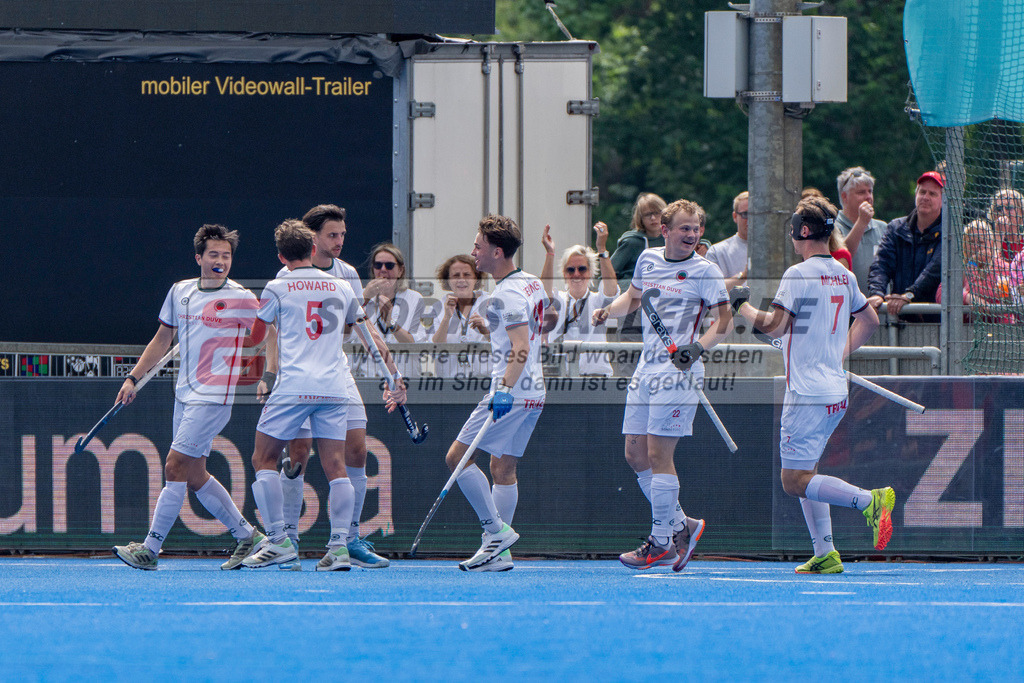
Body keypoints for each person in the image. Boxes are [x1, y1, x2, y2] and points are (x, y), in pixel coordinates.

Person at [733, 196, 894, 574]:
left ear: (803, 231)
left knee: (794, 480)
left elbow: (775, 325)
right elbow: (869, 320)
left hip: (806, 394)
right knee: (808, 472)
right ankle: (825, 552)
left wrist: (741, 306)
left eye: (793, 231)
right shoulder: (843, 273)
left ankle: (869, 501)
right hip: (834, 391)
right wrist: (840, 352)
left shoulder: (798, 274)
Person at [242, 220, 406, 570]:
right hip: (334, 387)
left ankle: (277, 540)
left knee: (263, 458)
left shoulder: (275, 286)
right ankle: (338, 548)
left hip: (294, 386)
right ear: (313, 250)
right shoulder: (341, 287)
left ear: (282, 256)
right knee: (336, 465)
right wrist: (393, 377)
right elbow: (366, 336)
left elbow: (256, 336)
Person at [113, 224, 265, 571]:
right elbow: (161, 339)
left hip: (213, 397)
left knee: (174, 465)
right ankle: (248, 536)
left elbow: (262, 332)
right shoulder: (180, 292)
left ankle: (150, 550)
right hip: (184, 394)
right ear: (199, 257)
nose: (221, 261)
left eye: (226, 256)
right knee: (195, 475)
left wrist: (253, 362)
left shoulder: (242, 297)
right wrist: (133, 378)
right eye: (214, 254)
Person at [592, 198, 734, 571]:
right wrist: (610, 309)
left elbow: (724, 321)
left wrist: (696, 349)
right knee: (635, 455)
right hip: (646, 370)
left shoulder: (705, 271)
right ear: (666, 230)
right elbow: (634, 298)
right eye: (684, 228)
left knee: (658, 456)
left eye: (696, 228)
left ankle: (661, 541)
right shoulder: (648, 259)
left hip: (679, 373)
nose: (691, 234)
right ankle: (681, 525)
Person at [442, 214, 547, 572]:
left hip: (512, 392)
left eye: (478, 247)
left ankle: (495, 532)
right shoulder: (531, 282)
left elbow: (521, 346)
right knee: (503, 467)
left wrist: (503, 390)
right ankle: (498, 553)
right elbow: (527, 333)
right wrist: (491, 329)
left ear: (497, 252)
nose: (473, 253)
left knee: (456, 458)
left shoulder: (505, 293)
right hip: (535, 391)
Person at [540, 222, 619, 376]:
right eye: (570, 270)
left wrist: (602, 249)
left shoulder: (598, 300)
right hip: (561, 378)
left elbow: (610, 289)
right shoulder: (559, 299)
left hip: (596, 379)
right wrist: (550, 253)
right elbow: (543, 294)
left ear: (590, 272)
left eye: (582, 269)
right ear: (564, 274)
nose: (576, 274)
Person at [867, 171, 944, 315]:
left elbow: (934, 270)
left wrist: (909, 295)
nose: (925, 197)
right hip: (899, 320)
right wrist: (877, 293)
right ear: (916, 195)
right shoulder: (896, 228)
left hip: (936, 321)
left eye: (932, 194)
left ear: (943, 200)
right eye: (922, 192)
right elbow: (881, 264)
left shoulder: (950, 233)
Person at [357, 243, 435, 377]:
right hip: (370, 375)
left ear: (400, 271)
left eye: (389, 265)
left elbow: (415, 344)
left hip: (404, 376)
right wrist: (365, 299)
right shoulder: (362, 296)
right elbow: (347, 333)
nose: (383, 269)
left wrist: (391, 323)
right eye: (378, 265)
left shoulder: (414, 299)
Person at [431, 254, 491, 378]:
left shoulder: (491, 303)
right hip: (449, 381)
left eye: (467, 275)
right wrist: (447, 318)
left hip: (484, 381)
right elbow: (436, 346)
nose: (461, 279)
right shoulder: (439, 307)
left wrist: (486, 330)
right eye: (456, 275)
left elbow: (504, 342)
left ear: (476, 278)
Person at [834, 167, 887, 296]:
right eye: (861, 192)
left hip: (880, 311)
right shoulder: (833, 227)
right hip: (847, 312)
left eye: (870, 191)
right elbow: (840, 260)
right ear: (844, 196)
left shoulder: (883, 228)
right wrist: (862, 223)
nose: (868, 197)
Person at [610, 192, 668, 290]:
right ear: (640, 218)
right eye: (647, 214)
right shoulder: (631, 242)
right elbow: (608, 273)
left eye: (657, 213)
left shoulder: (670, 240)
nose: (653, 218)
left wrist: (704, 245)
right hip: (631, 296)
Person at [705, 190, 748, 289]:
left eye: (756, 214)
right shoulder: (716, 251)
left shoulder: (777, 251)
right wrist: (742, 276)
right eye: (745, 214)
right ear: (735, 216)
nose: (752, 219)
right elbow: (711, 289)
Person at [988, 189, 1024, 261]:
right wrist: (999, 234)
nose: (1003, 212)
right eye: (999, 209)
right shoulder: (987, 241)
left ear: (1021, 212)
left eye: (1009, 207)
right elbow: (990, 266)